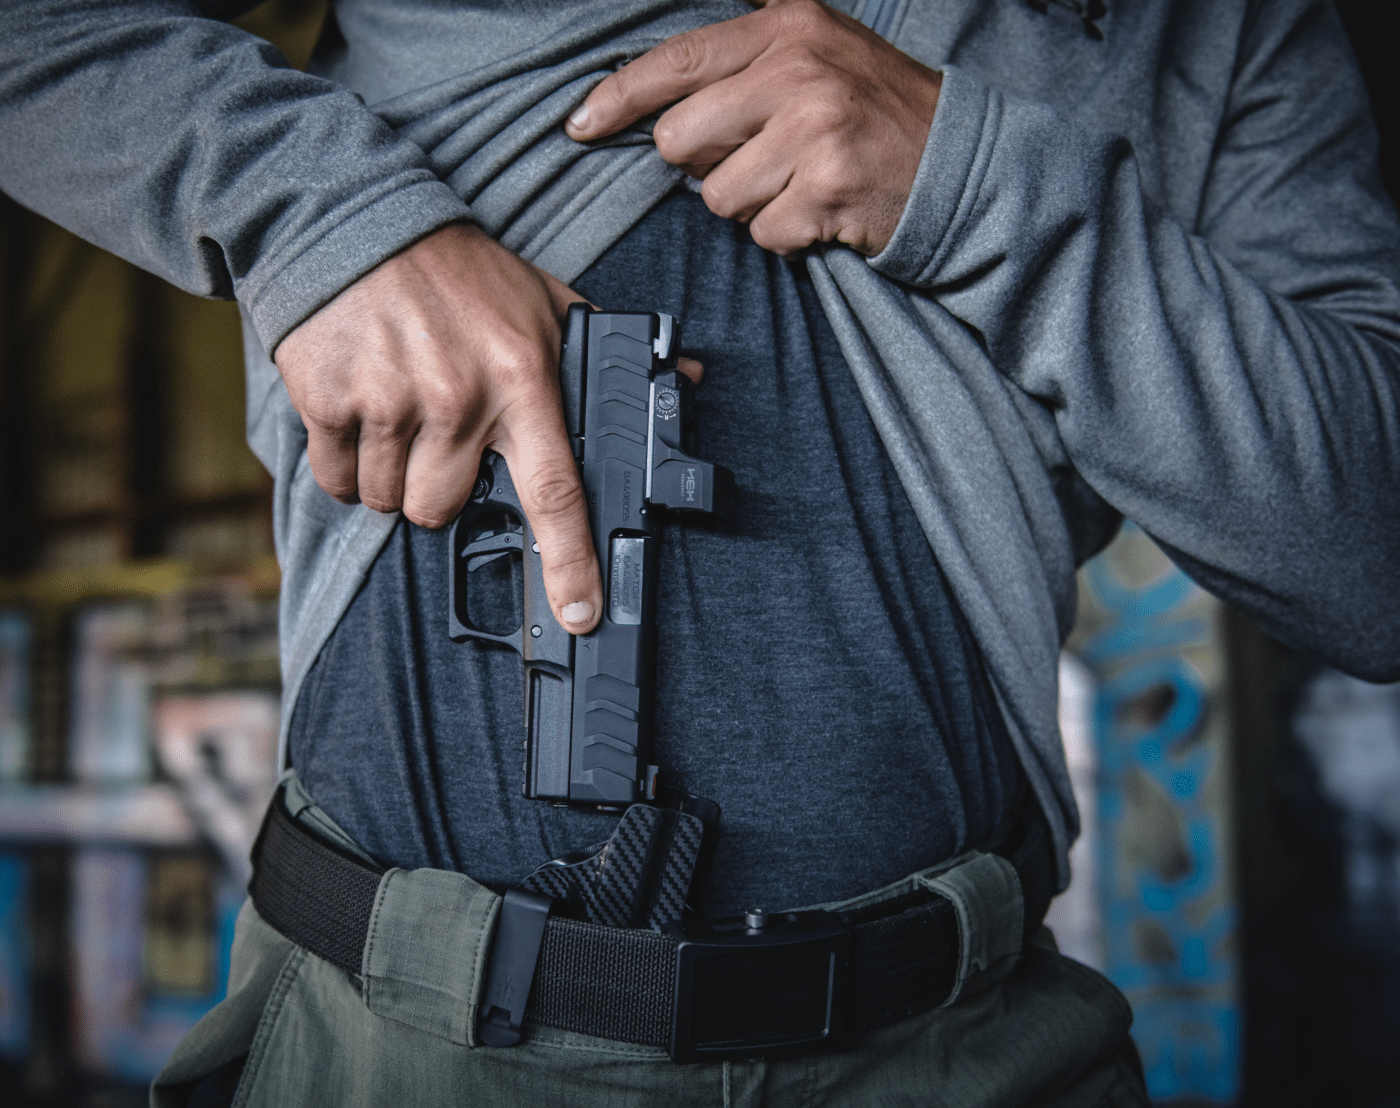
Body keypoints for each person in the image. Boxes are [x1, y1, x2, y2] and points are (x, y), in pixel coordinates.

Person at [3, 0, 1398, 1104]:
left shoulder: (1222, 26)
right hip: (402, 1042)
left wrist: (973, 182)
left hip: (956, 1044)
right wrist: (318, 217)